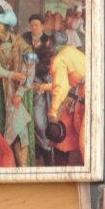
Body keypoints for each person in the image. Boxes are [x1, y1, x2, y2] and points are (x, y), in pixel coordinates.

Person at [0, 12, 33, 165]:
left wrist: (20, 92)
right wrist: (11, 74)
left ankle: (22, 167)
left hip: (18, 90)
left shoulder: (20, 42)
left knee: (20, 128)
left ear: (6, 27)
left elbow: (31, 65)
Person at [41, 31, 86, 165]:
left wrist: (53, 112)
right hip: (80, 93)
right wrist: (44, 87)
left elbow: (61, 87)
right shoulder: (70, 51)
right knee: (66, 134)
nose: (47, 45)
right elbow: (65, 82)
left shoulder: (59, 59)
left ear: (53, 44)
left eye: (49, 42)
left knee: (81, 139)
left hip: (83, 96)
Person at [22, 14, 55, 165]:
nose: (33, 27)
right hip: (24, 79)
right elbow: (19, 56)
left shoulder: (48, 41)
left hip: (40, 82)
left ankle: (47, 153)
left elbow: (46, 65)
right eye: (31, 25)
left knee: (39, 121)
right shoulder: (25, 38)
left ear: (42, 26)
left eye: (36, 25)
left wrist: (30, 61)